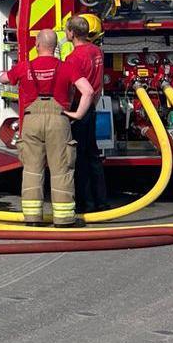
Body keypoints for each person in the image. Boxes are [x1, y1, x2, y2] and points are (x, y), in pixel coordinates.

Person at [4, 29, 75, 227]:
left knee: (32, 169)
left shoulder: (25, 67)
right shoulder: (65, 67)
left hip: (32, 121)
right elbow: (86, 90)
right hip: (59, 121)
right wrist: (77, 114)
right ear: (55, 47)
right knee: (61, 169)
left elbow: (3, 78)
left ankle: (33, 218)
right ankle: (63, 219)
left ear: (37, 45)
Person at [61, 13, 109, 216]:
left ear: (71, 33)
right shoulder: (97, 51)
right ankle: (101, 201)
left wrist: (73, 113)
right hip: (92, 106)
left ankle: (86, 203)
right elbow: (96, 87)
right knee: (93, 155)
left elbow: (76, 88)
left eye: (66, 30)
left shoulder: (73, 58)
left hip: (78, 107)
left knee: (79, 157)